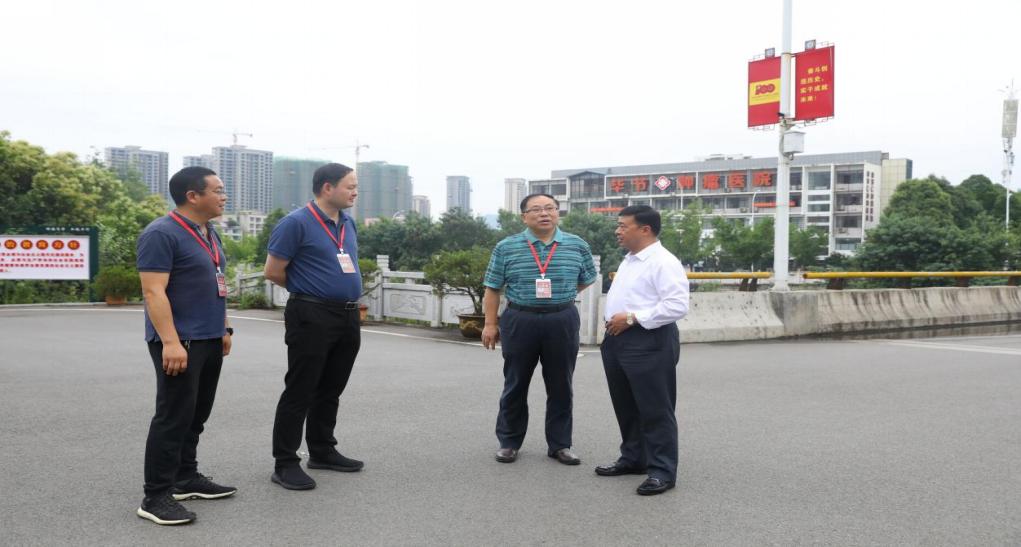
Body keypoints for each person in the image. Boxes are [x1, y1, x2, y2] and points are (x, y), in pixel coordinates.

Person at [136, 166, 236, 525]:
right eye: (218, 190)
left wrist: (224, 327)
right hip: (181, 341)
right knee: (173, 416)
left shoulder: (208, 231)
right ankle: (155, 496)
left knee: (196, 414)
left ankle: (185, 477)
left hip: (209, 337)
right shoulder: (161, 233)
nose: (224, 196)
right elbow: (153, 291)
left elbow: (216, 281)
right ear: (193, 196)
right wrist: (171, 342)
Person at [264, 163, 363, 490]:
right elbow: (273, 270)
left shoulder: (347, 222)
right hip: (311, 313)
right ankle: (285, 462)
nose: (355, 192)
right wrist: (310, 290)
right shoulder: (295, 223)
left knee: (331, 387)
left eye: (356, 186)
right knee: (301, 388)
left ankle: (322, 450)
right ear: (327, 188)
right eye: (350, 186)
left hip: (347, 315)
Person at [481, 193, 598, 465]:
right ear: (524, 217)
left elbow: (587, 278)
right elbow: (492, 287)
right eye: (536, 209)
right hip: (520, 318)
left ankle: (560, 444)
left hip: (562, 319)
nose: (544, 213)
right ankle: (509, 442)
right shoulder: (506, 247)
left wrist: (563, 294)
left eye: (550, 208)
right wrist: (490, 324)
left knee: (561, 385)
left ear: (558, 212)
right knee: (515, 383)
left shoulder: (576, 244)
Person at [596, 205, 689, 495]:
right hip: (617, 339)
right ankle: (634, 458)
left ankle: (662, 471)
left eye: (623, 226)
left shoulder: (663, 262)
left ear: (645, 229)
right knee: (626, 405)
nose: (617, 231)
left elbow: (676, 306)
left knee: (655, 408)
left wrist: (632, 318)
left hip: (648, 340)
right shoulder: (630, 259)